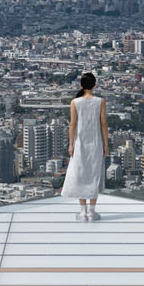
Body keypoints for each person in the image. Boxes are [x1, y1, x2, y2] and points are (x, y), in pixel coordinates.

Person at [60, 71, 107, 220]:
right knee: (94, 175)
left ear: (81, 85)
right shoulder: (101, 102)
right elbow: (104, 125)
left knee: (80, 174)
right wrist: (106, 145)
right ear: (94, 85)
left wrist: (70, 144)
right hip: (96, 143)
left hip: (79, 143)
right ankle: (92, 212)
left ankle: (82, 211)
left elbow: (72, 125)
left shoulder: (75, 102)